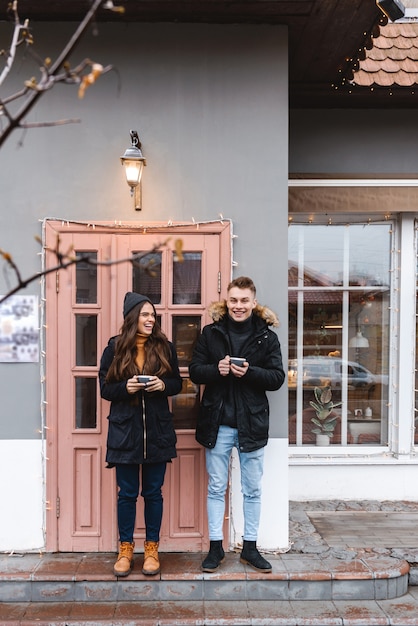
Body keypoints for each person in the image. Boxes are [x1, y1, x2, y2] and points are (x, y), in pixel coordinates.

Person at [189, 276, 285, 573]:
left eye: (244, 300)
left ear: (253, 303)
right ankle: (216, 548)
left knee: (252, 490)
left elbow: (277, 378)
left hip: (252, 425)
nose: (239, 306)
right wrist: (216, 370)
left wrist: (251, 373)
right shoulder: (211, 332)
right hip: (218, 424)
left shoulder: (267, 337)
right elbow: (194, 371)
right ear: (226, 301)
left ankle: (250, 548)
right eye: (234, 300)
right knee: (217, 487)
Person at [99, 292, 182, 578]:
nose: (151, 319)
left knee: (153, 493)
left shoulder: (165, 347)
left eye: (152, 314)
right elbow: (105, 389)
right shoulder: (114, 348)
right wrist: (127, 388)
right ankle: (125, 549)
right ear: (132, 317)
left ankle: (151, 549)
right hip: (125, 433)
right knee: (127, 494)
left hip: (157, 431)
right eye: (145, 314)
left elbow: (177, 384)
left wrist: (162, 385)